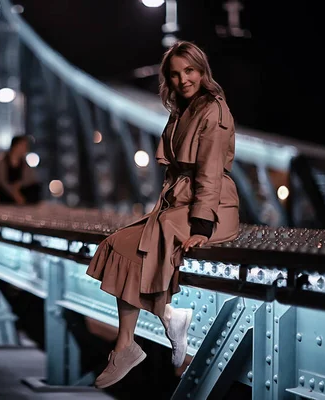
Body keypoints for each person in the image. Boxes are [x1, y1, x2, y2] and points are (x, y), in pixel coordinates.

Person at [86, 41, 240, 389]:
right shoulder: (181, 110)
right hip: (178, 204)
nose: (183, 79)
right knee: (118, 245)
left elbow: (210, 173)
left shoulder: (213, 111)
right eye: (175, 74)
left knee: (145, 243)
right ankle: (145, 331)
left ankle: (159, 323)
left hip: (212, 208)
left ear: (202, 71)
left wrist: (202, 225)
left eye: (190, 71)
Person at [0, 135, 41, 205]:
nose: (25, 148)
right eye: (23, 145)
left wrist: (19, 185)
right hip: (6, 191)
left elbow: (31, 179)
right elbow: (1, 181)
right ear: (15, 146)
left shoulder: (24, 163)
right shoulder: (0, 162)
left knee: (35, 188)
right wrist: (14, 192)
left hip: (20, 190)